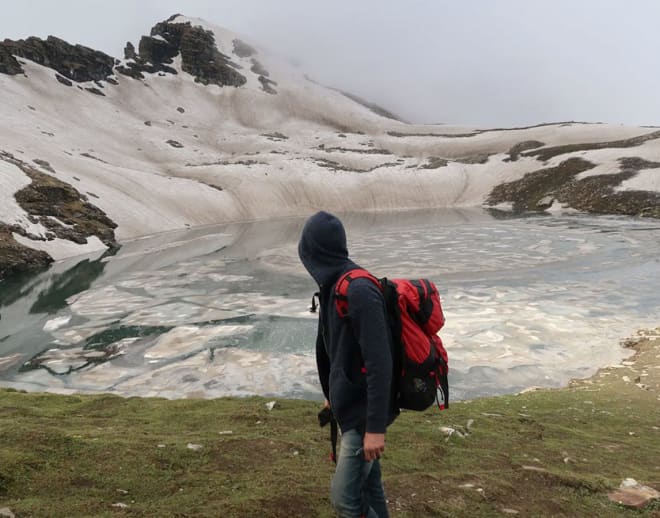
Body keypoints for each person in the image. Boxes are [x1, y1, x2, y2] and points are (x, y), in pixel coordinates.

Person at [298, 211, 398, 518]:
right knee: (370, 489)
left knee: (344, 499)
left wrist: (376, 428)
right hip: (351, 408)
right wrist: (331, 393)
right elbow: (334, 350)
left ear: (314, 252)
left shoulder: (358, 291)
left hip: (363, 416)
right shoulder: (332, 287)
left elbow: (380, 362)